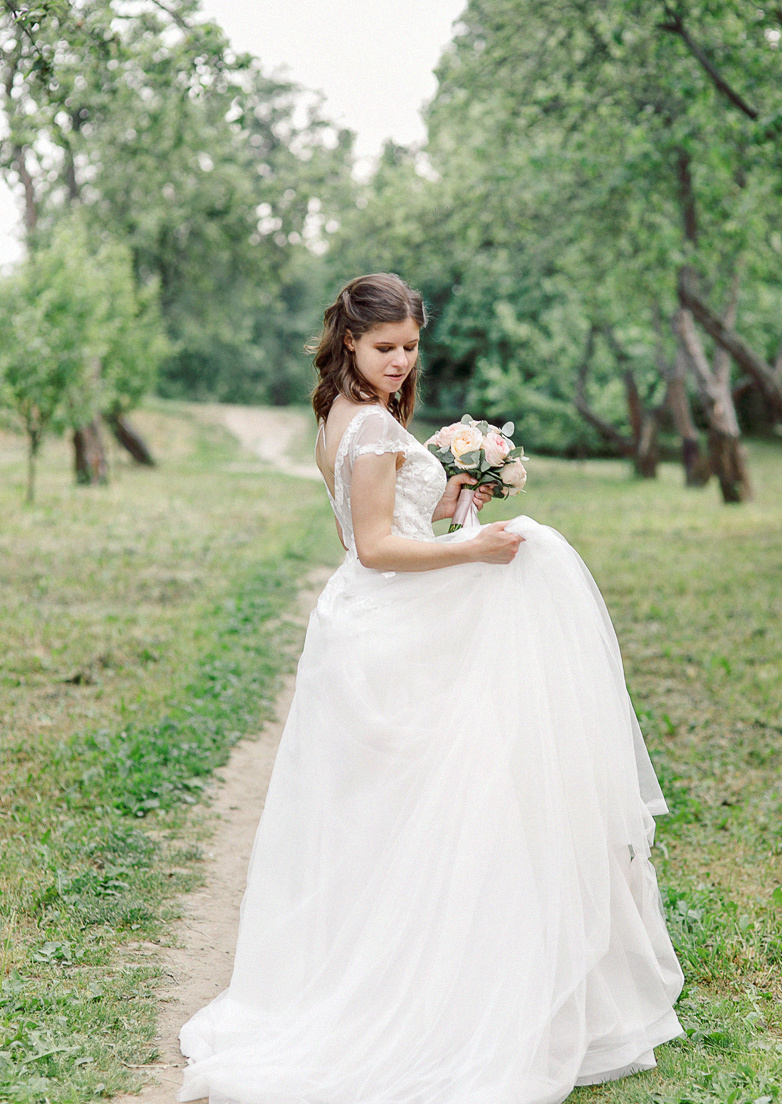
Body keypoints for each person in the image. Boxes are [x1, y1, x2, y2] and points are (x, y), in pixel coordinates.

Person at [178, 273, 683, 1104]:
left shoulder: (340, 418)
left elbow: (383, 529)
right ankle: (431, 992)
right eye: (385, 348)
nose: (401, 362)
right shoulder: (372, 426)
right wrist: (475, 550)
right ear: (349, 341)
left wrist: (451, 500)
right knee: (445, 796)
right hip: (388, 623)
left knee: (395, 812)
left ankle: (405, 963)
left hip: (363, 619)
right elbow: (375, 545)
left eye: (411, 347)